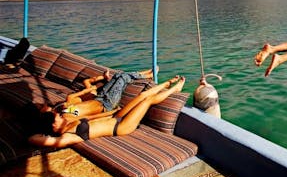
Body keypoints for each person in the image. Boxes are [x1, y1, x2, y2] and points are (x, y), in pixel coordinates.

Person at [28, 75, 185, 148]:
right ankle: (175, 89)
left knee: (142, 95)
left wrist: (112, 112)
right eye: (57, 118)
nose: (61, 117)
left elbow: (91, 118)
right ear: (53, 127)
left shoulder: (69, 119)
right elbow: (33, 139)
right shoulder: (68, 136)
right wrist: (39, 126)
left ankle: (166, 84)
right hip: (121, 127)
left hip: (115, 116)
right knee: (148, 101)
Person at [57, 68, 156, 117]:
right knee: (123, 77)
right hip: (107, 104)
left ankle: (145, 73)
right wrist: (114, 112)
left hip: (99, 97)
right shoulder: (71, 116)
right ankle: (147, 75)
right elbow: (93, 117)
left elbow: (85, 98)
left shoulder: (69, 107)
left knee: (118, 74)